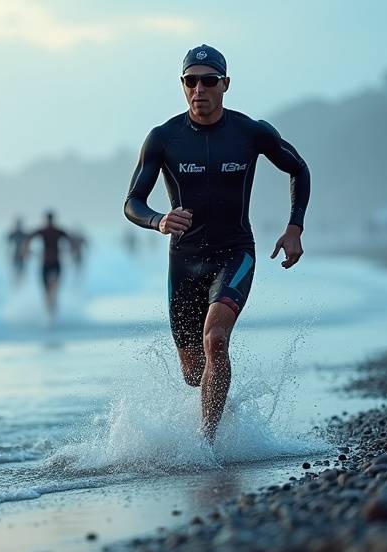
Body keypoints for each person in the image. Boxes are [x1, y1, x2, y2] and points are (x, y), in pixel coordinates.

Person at [124, 44, 311, 441]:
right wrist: (159, 220)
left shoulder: (251, 132)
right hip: (185, 261)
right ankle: (218, 406)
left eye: (209, 81)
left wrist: (294, 226)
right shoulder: (163, 138)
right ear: (183, 85)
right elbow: (132, 203)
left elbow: (299, 168)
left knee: (216, 340)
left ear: (225, 84)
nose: (199, 89)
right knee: (194, 372)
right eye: (191, 81)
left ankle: (205, 444)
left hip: (234, 252)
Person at [25, 210, 71, 321]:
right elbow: (28, 239)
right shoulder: (44, 231)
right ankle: (49, 313)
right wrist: (27, 250)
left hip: (55, 262)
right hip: (46, 263)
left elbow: (71, 240)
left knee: (53, 289)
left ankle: (52, 312)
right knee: (47, 291)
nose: (49, 222)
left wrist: (70, 251)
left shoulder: (57, 231)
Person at [5, 217, 29, 286]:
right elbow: (8, 245)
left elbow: (27, 246)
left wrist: (27, 253)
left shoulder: (24, 234)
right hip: (15, 255)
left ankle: (20, 283)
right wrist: (7, 253)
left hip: (22, 256)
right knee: (15, 271)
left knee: (21, 272)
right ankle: (16, 283)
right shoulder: (13, 234)